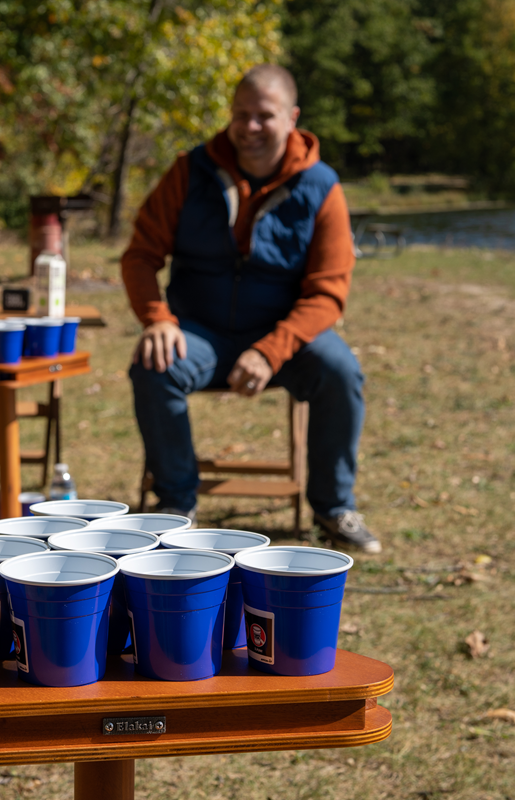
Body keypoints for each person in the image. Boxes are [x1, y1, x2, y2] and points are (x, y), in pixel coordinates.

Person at [122, 64, 380, 553]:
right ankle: (176, 506)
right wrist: (157, 317)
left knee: (341, 371)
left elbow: (327, 293)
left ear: (292, 117)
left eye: (265, 115)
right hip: (198, 332)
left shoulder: (322, 187)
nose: (250, 127)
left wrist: (270, 350)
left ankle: (333, 506)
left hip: (284, 336)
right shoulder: (188, 171)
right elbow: (139, 255)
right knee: (153, 365)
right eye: (242, 114)